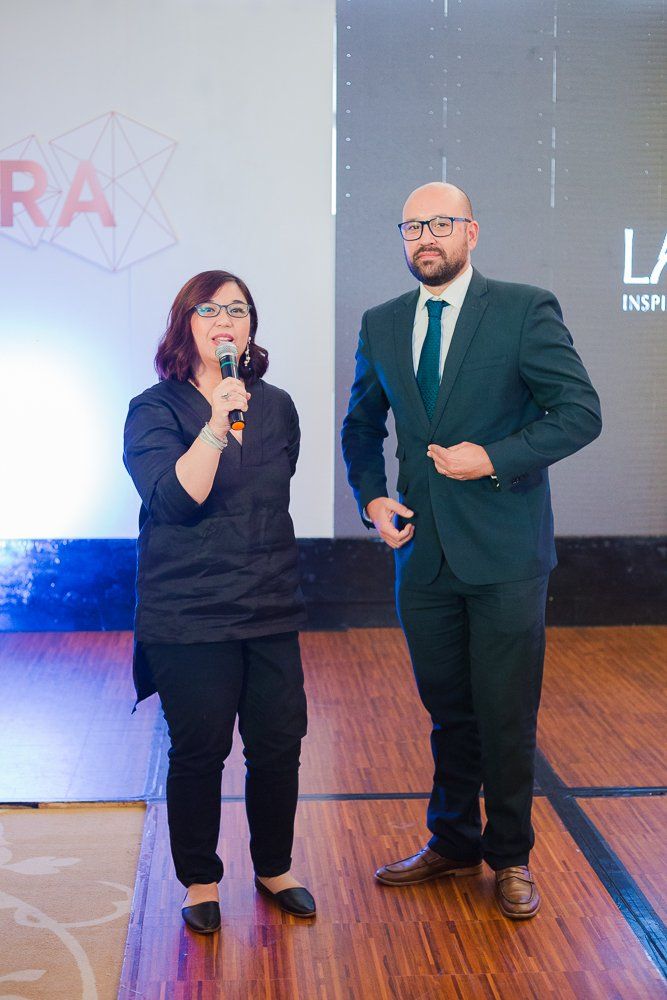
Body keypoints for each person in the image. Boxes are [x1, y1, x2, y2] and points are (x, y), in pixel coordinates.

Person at [342, 182, 602, 919]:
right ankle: (453, 840)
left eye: (440, 223)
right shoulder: (383, 322)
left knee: (505, 714)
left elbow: (579, 413)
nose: (425, 237)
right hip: (421, 557)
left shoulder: (523, 309)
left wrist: (491, 457)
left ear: (471, 232)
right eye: (412, 227)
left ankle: (511, 855)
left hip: (505, 557)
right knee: (448, 710)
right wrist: (372, 499)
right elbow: (360, 427)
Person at [123, 270, 315, 934]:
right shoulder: (153, 409)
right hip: (189, 610)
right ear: (185, 325)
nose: (224, 321)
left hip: (269, 604)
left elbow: (268, 496)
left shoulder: (277, 406)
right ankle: (201, 880)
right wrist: (214, 424)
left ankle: (274, 868)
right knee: (200, 751)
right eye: (207, 310)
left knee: (278, 745)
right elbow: (177, 502)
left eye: (236, 310)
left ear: (251, 327)